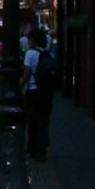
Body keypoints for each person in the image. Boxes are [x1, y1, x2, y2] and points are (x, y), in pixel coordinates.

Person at [23, 28, 54, 161]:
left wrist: (20, 86)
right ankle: (42, 149)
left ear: (33, 40)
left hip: (33, 91)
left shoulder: (30, 54)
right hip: (46, 91)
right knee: (44, 121)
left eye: (29, 39)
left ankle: (32, 147)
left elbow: (27, 74)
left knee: (33, 121)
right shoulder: (48, 54)